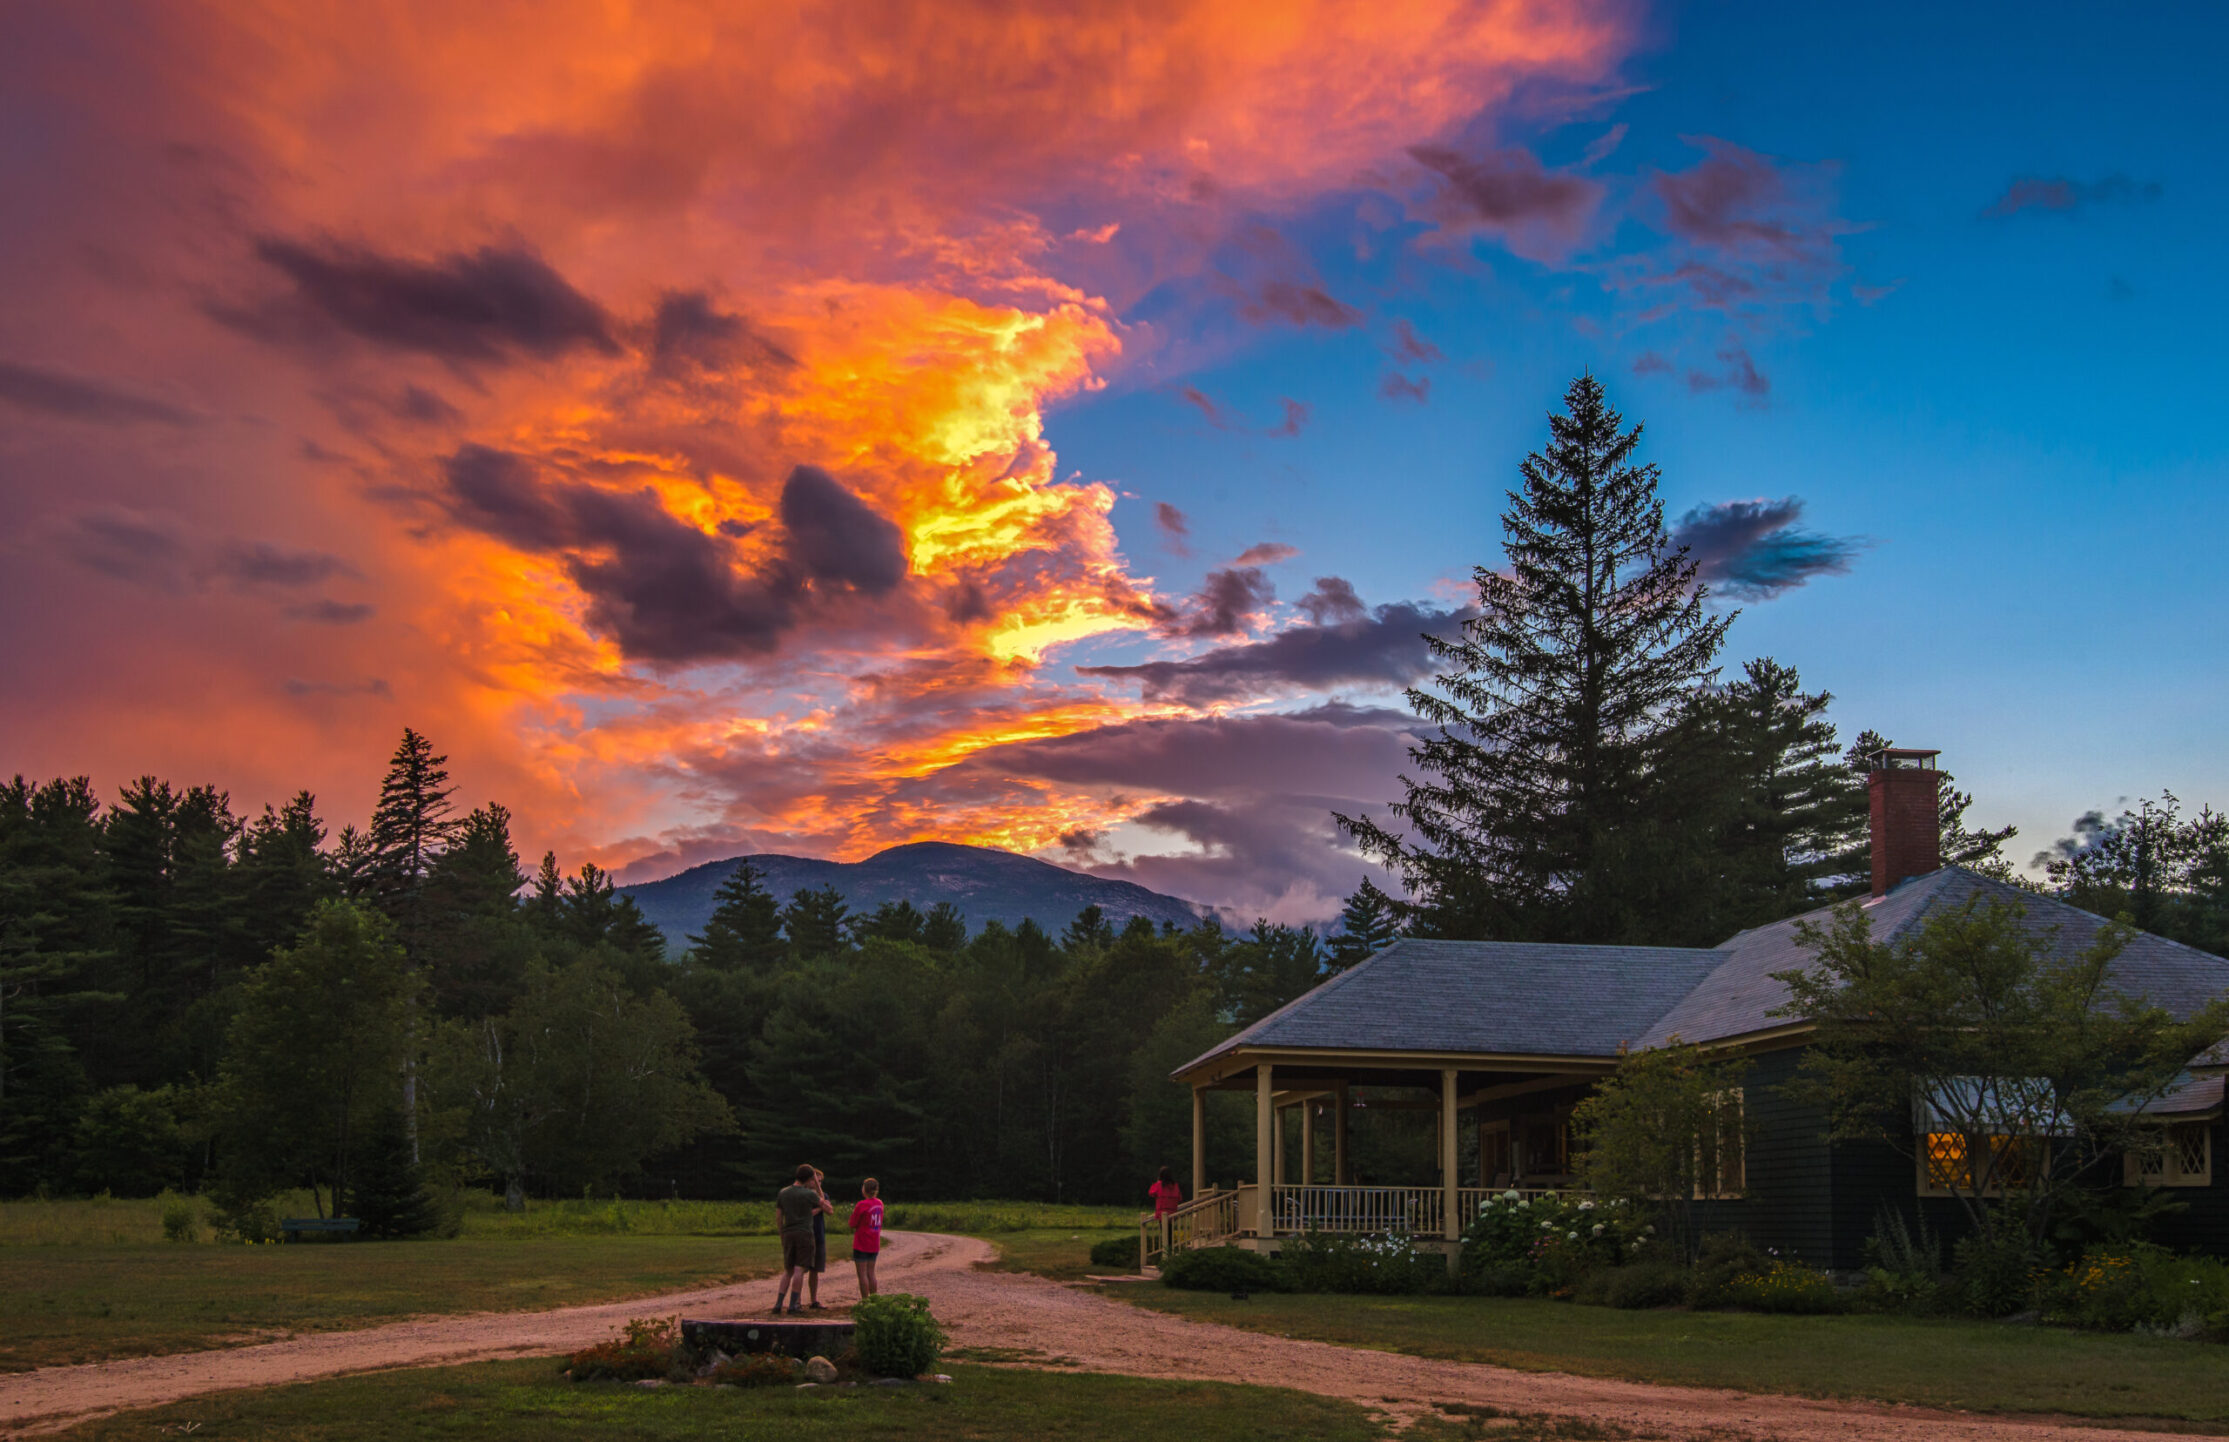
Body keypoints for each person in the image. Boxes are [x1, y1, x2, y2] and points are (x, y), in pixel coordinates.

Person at [772, 1163, 822, 1315]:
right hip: (804, 1233)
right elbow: (823, 1203)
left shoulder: (783, 1193)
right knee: (799, 1268)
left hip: (788, 1233)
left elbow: (779, 1217)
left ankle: (778, 1304)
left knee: (788, 1270)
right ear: (809, 1178)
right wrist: (818, 1185)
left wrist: (782, 1234)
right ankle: (793, 1304)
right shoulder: (808, 1194)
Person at [848, 1177, 885, 1298]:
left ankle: (865, 1301)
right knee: (871, 1273)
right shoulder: (879, 1203)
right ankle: (874, 1300)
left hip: (862, 1243)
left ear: (865, 1190)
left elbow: (852, 1224)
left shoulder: (862, 1204)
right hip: (874, 1243)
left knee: (862, 1274)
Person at [805, 1167, 836, 1309]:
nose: (819, 1184)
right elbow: (805, 1214)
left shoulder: (824, 1195)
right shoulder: (803, 1195)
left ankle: (813, 1299)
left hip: (819, 1234)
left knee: (815, 1270)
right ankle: (797, 1300)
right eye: (817, 1181)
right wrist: (821, 1207)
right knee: (801, 1269)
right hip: (805, 1235)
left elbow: (830, 1211)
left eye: (820, 1182)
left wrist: (823, 1204)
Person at [1145, 1165, 1184, 1256]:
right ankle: (1170, 1252)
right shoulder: (1175, 1185)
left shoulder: (1159, 1185)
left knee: (1165, 1235)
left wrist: (1157, 1181)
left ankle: (1166, 1254)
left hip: (1162, 1214)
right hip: (1172, 1213)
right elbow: (1180, 1197)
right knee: (1169, 1233)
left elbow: (1151, 1193)